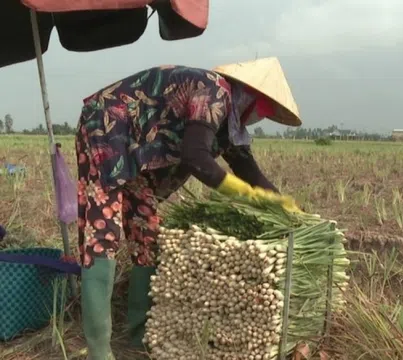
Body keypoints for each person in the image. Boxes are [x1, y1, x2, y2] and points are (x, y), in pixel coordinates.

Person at [75, 57, 303, 359]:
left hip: (136, 151)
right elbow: (196, 156)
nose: (260, 117)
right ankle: (99, 351)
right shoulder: (213, 91)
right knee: (103, 233)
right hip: (106, 127)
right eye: (263, 109)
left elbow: (249, 170)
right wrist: (240, 193)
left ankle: (138, 335)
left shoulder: (228, 122)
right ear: (250, 96)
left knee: (148, 233)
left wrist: (282, 205)